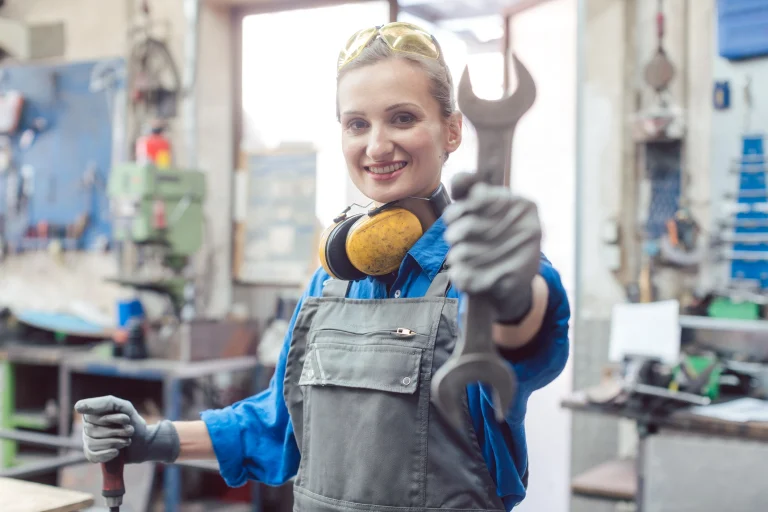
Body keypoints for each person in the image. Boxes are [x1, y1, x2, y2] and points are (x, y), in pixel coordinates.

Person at [75, 22, 570, 511]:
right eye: (357, 124)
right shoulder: (332, 281)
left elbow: (524, 334)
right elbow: (275, 425)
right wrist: (153, 439)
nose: (376, 146)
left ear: (453, 130)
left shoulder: (482, 275)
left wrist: (515, 292)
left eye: (402, 118)